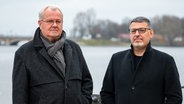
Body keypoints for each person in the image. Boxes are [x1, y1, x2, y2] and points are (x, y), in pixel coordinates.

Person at [12, 5, 93, 104]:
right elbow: (19, 96)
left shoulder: (74, 48)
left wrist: (83, 101)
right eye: (50, 21)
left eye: (58, 21)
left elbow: (87, 81)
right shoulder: (24, 53)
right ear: (40, 23)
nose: (55, 25)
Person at [100, 16, 182, 104]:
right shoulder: (116, 59)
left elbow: (175, 98)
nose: (137, 34)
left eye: (142, 30)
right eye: (133, 31)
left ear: (151, 33)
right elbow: (106, 93)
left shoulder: (166, 61)